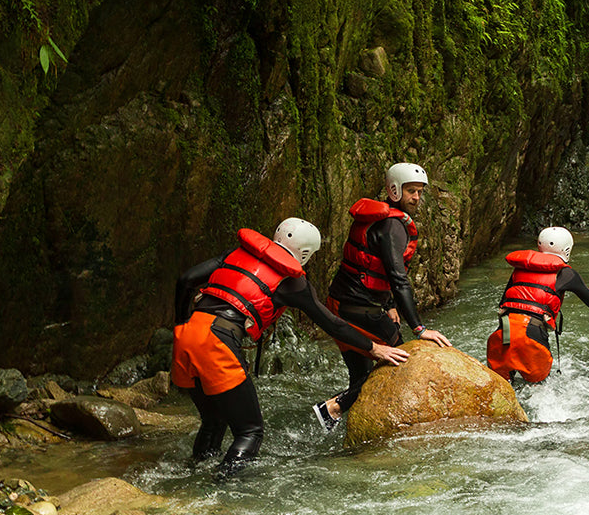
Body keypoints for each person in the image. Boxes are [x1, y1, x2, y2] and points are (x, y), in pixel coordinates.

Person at [171, 218, 410, 479]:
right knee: (250, 432)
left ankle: (193, 478)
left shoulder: (235, 254)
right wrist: (374, 348)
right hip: (218, 341)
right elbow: (333, 324)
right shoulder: (292, 282)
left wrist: (180, 323)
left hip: (187, 334)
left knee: (214, 421)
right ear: (305, 253)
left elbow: (185, 280)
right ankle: (219, 493)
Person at [312, 163, 451, 431]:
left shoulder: (378, 220)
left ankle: (345, 421)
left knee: (362, 375)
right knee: (401, 359)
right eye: (411, 191)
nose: (416, 198)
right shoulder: (393, 227)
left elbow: (373, 269)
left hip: (341, 304)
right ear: (394, 190)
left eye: (420, 192)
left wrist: (388, 305)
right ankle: (333, 408)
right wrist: (419, 329)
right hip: (358, 309)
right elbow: (398, 278)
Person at [486, 227, 589, 383]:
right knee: (537, 389)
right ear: (566, 249)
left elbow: (503, 304)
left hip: (503, 333)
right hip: (532, 335)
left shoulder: (519, 269)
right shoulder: (566, 274)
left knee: (502, 386)